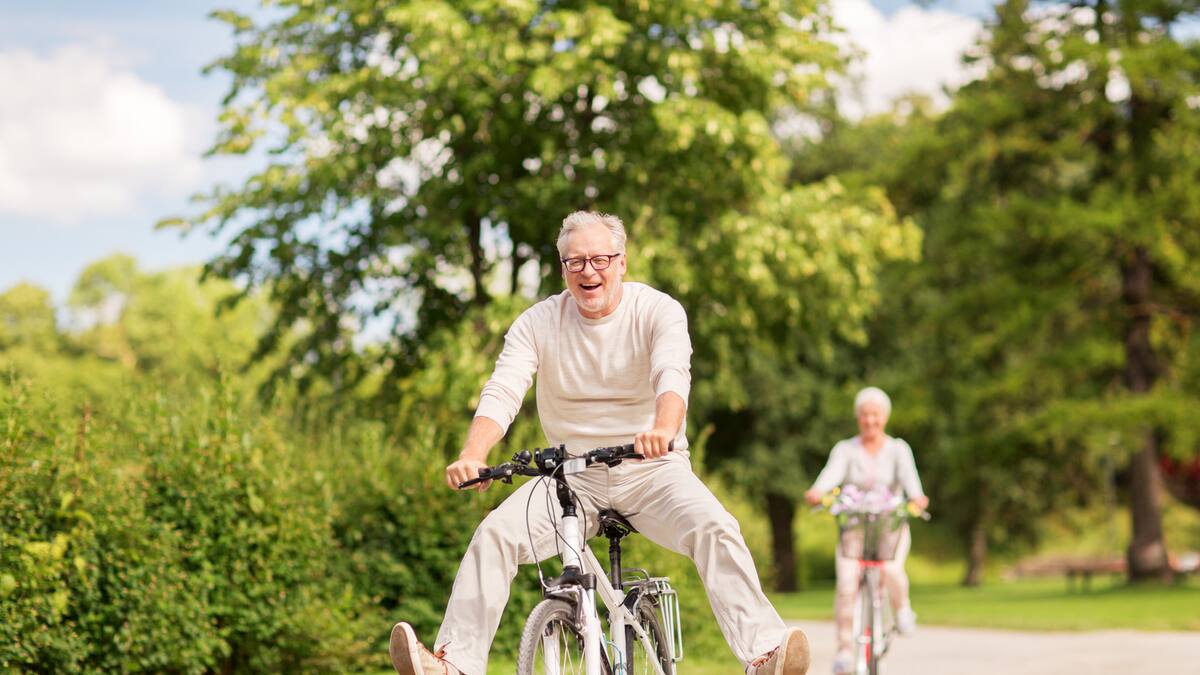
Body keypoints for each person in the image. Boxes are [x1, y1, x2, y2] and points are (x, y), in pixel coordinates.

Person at [389, 211, 810, 675]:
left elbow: (672, 374)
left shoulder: (657, 310)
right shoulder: (538, 322)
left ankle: (763, 654)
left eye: (599, 259)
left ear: (622, 263)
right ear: (563, 269)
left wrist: (663, 429)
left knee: (714, 527)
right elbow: (504, 388)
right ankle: (456, 666)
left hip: (652, 470)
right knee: (494, 536)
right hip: (570, 478)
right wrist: (473, 455)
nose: (588, 271)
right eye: (575, 262)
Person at [803, 387, 928, 675]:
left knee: (892, 569)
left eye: (876, 415)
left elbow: (912, 483)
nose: (870, 421)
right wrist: (817, 491)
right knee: (847, 584)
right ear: (858, 418)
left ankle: (902, 609)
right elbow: (830, 475)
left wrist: (917, 499)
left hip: (889, 528)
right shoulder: (846, 449)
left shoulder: (898, 449)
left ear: (884, 417)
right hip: (855, 529)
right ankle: (845, 650)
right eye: (865, 415)